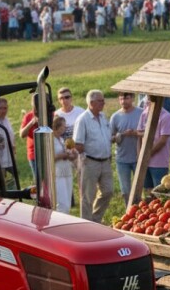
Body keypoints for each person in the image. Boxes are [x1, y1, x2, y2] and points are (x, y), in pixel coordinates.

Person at [73, 90, 113, 223]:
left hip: (105, 161)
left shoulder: (102, 116)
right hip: (90, 161)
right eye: (100, 101)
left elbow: (106, 136)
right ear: (91, 103)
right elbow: (77, 143)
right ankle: (85, 225)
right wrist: (88, 154)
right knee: (88, 196)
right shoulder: (83, 119)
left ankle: (95, 220)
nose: (104, 103)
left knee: (108, 191)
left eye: (103, 100)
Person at [136, 98, 170, 194]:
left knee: (159, 192)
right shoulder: (144, 114)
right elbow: (139, 135)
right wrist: (140, 155)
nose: (147, 102)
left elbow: (162, 140)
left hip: (159, 163)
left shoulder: (166, 116)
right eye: (147, 99)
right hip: (144, 161)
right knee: (147, 190)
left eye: (150, 100)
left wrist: (147, 154)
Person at [110, 92, 143, 203]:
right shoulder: (115, 116)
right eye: (121, 99)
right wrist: (120, 135)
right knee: (125, 191)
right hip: (122, 159)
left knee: (140, 189)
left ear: (133, 98)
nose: (123, 101)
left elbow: (148, 132)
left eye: (126, 98)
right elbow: (110, 137)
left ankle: (140, 212)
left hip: (138, 158)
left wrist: (135, 133)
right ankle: (129, 212)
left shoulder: (141, 113)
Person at [52, 117, 77, 214]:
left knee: (68, 202)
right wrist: (63, 155)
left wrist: (72, 155)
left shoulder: (62, 139)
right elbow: (49, 157)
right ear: (56, 126)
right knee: (62, 204)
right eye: (63, 125)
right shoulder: (51, 139)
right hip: (58, 173)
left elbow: (67, 154)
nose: (65, 128)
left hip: (67, 171)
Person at [0, 97, 16, 189]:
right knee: (1, 183)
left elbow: (12, 136)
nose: (3, 110)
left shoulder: (7, 120)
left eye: (5, 108)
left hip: (10, 156)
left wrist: (14, 149)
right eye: (0, 108)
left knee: (15, 178)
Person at [19, 93, 40, 180]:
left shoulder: (51, 114)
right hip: (34, 154)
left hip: (49, 152)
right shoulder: (28, 116)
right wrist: (31, 123)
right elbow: (22, 134)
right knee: (39, 182)